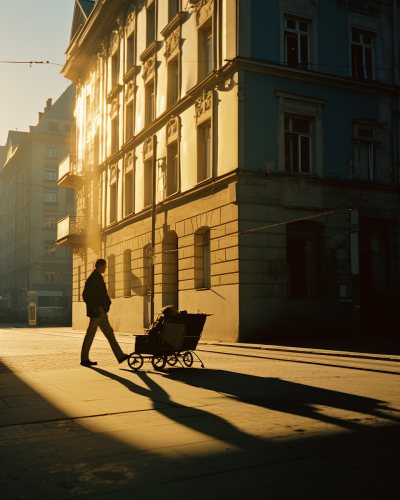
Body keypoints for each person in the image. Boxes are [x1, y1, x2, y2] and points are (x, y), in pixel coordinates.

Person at [80, 258, 129, 367]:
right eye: (105, 266)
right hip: (96, 313)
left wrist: (106, 304)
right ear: (100, 266)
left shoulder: (97, 277)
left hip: (101, 313)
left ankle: (120, 356)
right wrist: (97, 307)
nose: (105, 269)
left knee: (110, 334)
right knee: (90, 335)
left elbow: (101, 294)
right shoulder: (93, 278)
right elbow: (86, 295)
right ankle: (84, 359)